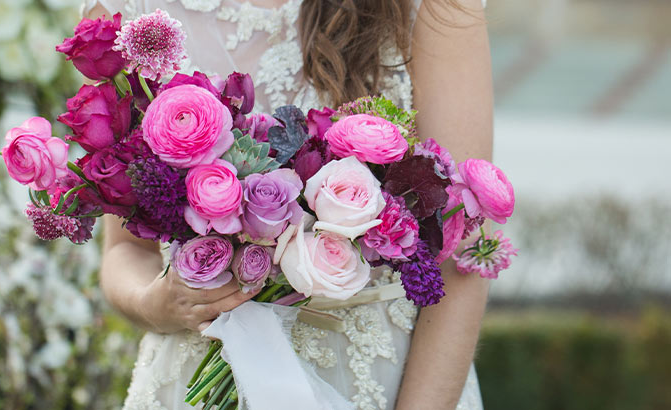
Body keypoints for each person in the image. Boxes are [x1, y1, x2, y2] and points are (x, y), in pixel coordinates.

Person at [88, 0, 492, 408]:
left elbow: (465, 245)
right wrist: (156, 304)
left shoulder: (431, 7)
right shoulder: (129, 11)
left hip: (376, 377)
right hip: (194, 371)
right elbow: (125, 250)